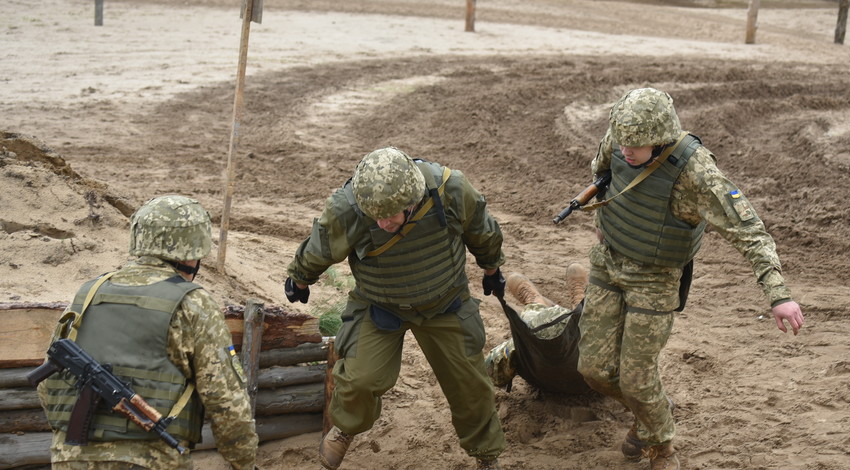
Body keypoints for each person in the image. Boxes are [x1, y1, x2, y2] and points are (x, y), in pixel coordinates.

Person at [579, 87, 805, 470]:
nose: (626, 150)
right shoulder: (620, 140)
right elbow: (603, 173)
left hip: (656, 278)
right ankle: (653, 410)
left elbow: (749, 231)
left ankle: (661, 444)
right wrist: (606, 222)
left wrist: (778, 295)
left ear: (662, 138)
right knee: (594, 371)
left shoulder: (696, 172)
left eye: (638, 144)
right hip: (608, 263)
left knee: (636, 379)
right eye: (622, 141)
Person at [284, 147, 507, 470]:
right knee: (358, 380)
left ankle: (487, 455)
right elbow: (322, 244)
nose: (382, 222)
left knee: (470, 385)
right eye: (375, 216)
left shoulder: (451, 190)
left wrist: (491, 268)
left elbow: (482, 230)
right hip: (380, 303)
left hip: (445, 301)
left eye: (390, 215)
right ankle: (347, 426)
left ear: (413, 201)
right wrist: (300, 278)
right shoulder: (350, 206)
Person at [36, 195, 259, 469]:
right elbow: (227, 402)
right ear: (194, 249)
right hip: (151, 459)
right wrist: (244, 463)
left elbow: (48, 385)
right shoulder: (193, 304)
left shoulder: (87, 293)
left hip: (70, 457)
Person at [484, 263, 589, 392]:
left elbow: (490, 369)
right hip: (589, 385)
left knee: (533, 315)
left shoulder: (522, 345)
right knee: (587, 321)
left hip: (542, 382)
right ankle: (579, 302)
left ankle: (535, 301)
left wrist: (511, 351)